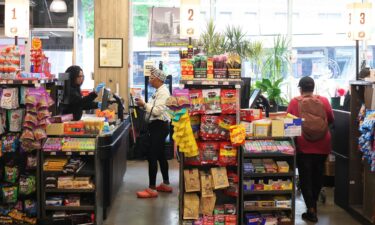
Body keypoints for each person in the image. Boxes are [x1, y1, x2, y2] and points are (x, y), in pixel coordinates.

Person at [287, 76, 334, 223]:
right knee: (318, 177)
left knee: (306, 178)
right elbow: (331, 119)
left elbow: (289, 124)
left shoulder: (295, 102)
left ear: (300, 89)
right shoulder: (324, 100)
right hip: (323, 143)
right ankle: (313, 207)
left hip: (304, 144)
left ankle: (311, 210)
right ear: (313, 88)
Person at [135, 67, 171, 198]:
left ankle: (152, 188)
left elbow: (156, 111)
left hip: (159, 126)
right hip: (157, 126)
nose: (149, 79)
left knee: (152, 156)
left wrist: (144, 104)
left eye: (151, 77)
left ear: (158, 79)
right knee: (161, 155)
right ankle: (166, 184)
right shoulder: (158, 91)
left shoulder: (164, 92)